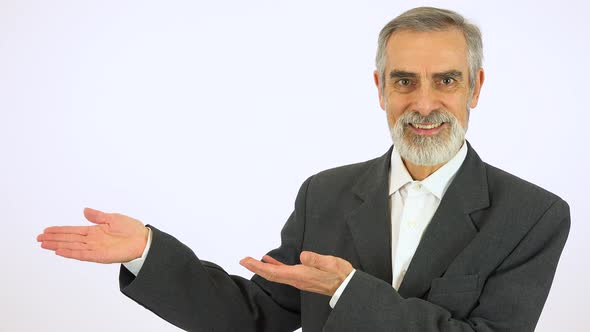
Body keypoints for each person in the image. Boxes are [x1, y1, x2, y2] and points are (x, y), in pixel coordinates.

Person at [36, 6, 570, 332]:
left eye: (447, 81)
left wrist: (347, 290)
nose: (424, 103)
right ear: (380, 88)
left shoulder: (533, 215)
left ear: (476, 87)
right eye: (404, 81)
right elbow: (254, 316)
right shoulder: (327, 193)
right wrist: (148, 251)